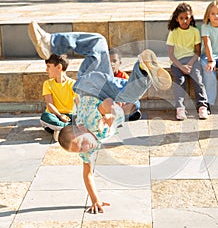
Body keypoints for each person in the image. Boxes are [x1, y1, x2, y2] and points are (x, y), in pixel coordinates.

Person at [28, 21, 172, 213]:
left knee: (125, 96)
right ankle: (51, 43)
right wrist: (95, 200)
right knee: (98, 43)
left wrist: (110, 112)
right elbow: (87, 175)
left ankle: (143, 70)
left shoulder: (89, 122)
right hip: (88, 79)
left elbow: (106, 105)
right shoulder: (87, 148)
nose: (84, 148)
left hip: (93, 88)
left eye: (81, 143)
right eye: (80, 149)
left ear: (82, 130)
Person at [167, 2, 209, 120]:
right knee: (179, 81)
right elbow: (171, 54)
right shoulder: (173, 32)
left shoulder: (195, 31)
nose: (184, 21)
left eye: (187, 18)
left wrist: (189, 64)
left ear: (191, 18)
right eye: (181, 18)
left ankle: (202, 106)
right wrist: (181, 67)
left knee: (198, 79)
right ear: (177, 19)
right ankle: (180, 108)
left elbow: (197, 52)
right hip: (177, 62)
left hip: (192, 60)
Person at [40, 53, 78, 141]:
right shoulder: (47, 84)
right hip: (54, 115)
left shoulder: (73, 84)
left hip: (69, 116)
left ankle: (60, 130)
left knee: (79, 119)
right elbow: (50, 105)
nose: (46, 70)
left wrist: (79, 118)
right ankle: (69, 129)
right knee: (45, 117)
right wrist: (60, 116)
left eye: (48, 66)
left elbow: (79, 103)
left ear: (59, 67)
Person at [109, 48, 142, 121]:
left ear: (120, 63)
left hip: (122, 102)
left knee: (135, 102)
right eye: (109, 62)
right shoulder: (104, 77)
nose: (111, 64)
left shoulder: (124, 77)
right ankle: (123, 115)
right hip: (110, 104)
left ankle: (130, 113)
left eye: (114, 61)